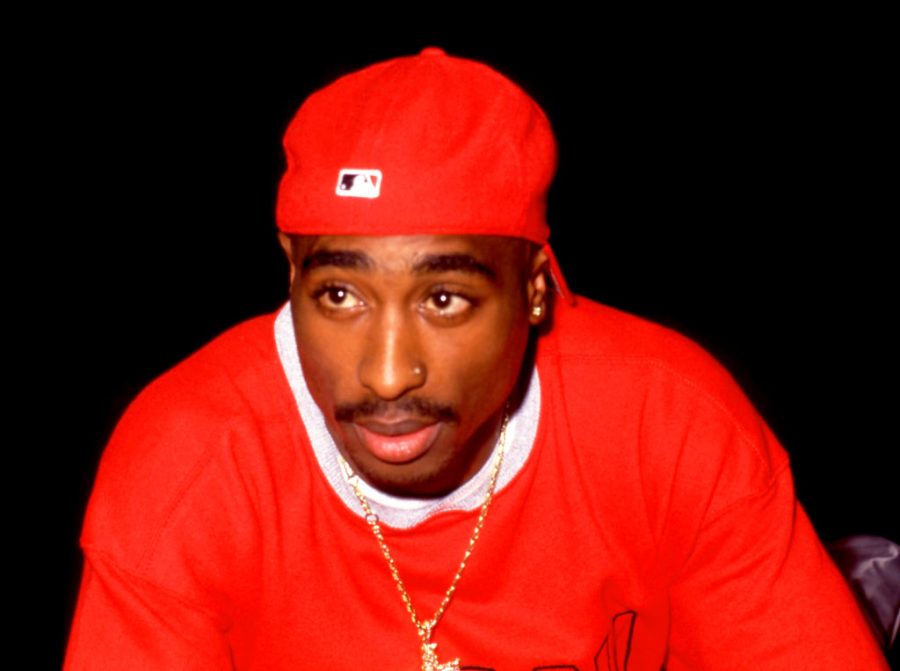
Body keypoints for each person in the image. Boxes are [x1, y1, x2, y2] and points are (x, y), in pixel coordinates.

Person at [64, 47, 888, 670]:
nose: (387, 372)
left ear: (533, 289)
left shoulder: (668, 423)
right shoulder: (187, 462)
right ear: (291, 271)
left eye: (445, 298)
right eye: (340, 295)